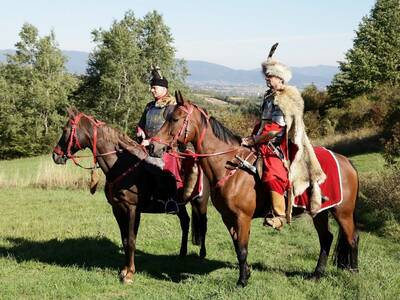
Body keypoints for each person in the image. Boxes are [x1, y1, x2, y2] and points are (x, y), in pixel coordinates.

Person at [241, 43, 326, 230]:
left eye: (270, 76)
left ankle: (279, 215)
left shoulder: (284, 98)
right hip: (262, 140)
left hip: (279, 144)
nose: (267, 79)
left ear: (280, 78)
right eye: (267, 76)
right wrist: (251, 136)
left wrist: (255, 139)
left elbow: (275, 130)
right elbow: (263, 123)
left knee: (273, 174)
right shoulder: (269, 96)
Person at [136, 67, 181, 213]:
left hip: (165, 148)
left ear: (163, 88)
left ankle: (171, 201)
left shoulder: (171, 107)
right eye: (151, 88)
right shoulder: (149, 106)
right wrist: (141, 132)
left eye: (154, 88)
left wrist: (151, 141)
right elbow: (141, 124)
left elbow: (170, 131)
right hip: (146, 146)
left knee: (164, 170)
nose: (152, 90)